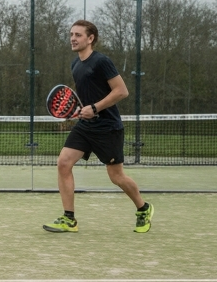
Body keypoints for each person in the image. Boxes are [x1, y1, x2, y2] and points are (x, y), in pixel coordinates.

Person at [43, 19, 153, 234]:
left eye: (78, 35)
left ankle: (143, 208)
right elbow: (88, 96)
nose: (73, 38)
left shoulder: (102, 61)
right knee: (64, 163)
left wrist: (95, 108)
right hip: (86, 126)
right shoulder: (75, 64)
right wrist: (80, 111)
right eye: (71, 34)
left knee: (116, 177)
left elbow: (121, 91)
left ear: (90, 38)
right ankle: (69, 219)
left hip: (107, 127)